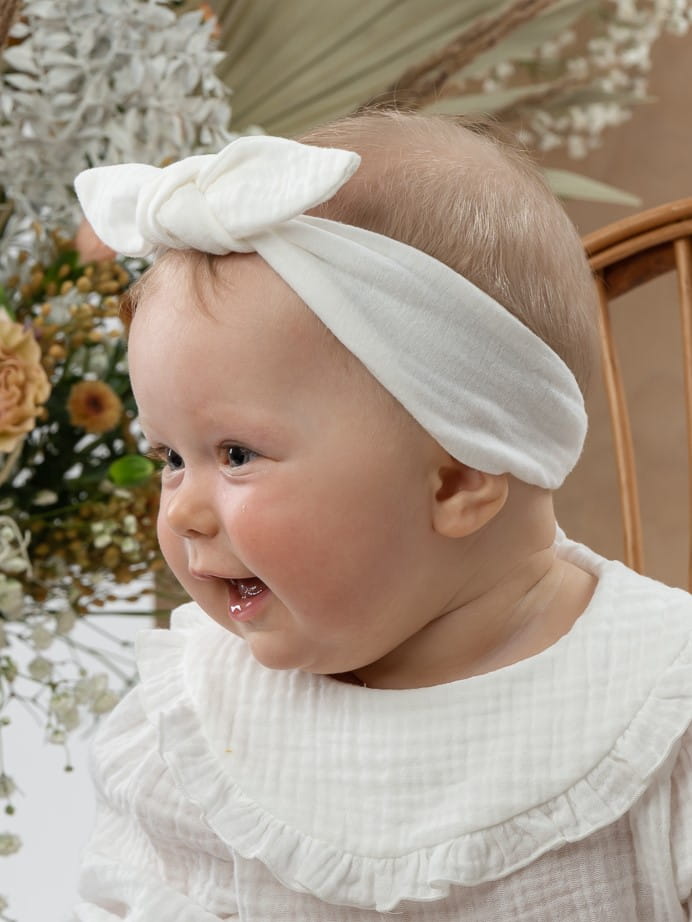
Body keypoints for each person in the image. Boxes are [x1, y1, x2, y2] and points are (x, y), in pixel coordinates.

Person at [72, 111, 692, 921]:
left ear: (457, 480)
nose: (184, 510)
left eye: (236, 455)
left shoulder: (660, 710)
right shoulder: (196, 730)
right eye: (170, 458)